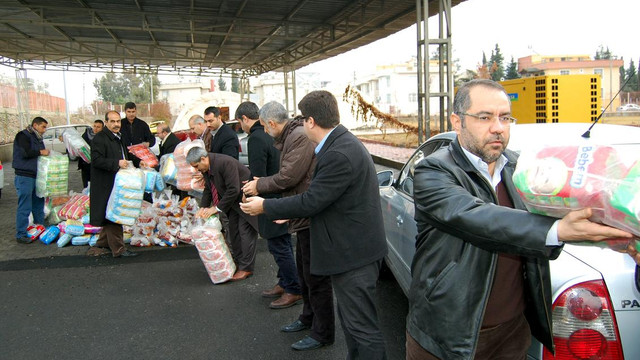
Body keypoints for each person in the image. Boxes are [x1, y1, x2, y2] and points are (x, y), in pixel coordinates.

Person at [404, 79, 633, 360]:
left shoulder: (522, 169)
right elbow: (476, 217)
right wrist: (557, 229)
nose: (498, 127)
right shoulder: (433, 170)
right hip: (447, 336)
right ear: (457, 121)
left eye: (505, 118)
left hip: (513, 333)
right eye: (484, 117)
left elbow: (567, 211)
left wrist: (615, 234)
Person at [240, 91, 388, 358]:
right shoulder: (339, 145)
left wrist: (265, 205)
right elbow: (325, 200)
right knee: (354, 325)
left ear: (310, 121)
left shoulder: (338, 153)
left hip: (353, 254)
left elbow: (312, 200)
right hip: (352, 249)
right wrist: (291, 210)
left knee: (362, 329)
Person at [242, 101, 335, 351]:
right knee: (306, 275)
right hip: (301, 215)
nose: (263, 131)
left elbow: (289, 177)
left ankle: (323, 331)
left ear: (271, 123)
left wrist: (258, 186)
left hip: (310, 217)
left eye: (263, 126)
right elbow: (294, 180)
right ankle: (308, 318)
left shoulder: (298, 137)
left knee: (316, 278)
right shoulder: (292, 135)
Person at [236, 101, 302, 309]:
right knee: (282, 244)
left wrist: (250, 192)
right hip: (280, 194)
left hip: (268, 197)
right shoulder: (280, 135)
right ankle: (284, 282)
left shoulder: (255, 138)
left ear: (245, 119)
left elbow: (258, 174)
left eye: (240, 123)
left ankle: (293, 288)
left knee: (279, 246)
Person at [187, 146, 258, 282]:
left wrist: (216, 208)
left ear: (203, 158)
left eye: (197, 166)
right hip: (232, 203)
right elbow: (208, 188)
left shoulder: (224, 162)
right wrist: (203, 207)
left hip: (244, 199)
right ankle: (238, 261)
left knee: (245, 232)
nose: (197, 170)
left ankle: (247, 268)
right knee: (233, 232)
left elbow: (233, 189)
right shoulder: (207, 168)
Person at [89, 110, 139, 258]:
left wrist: (139, 162)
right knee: (114, 215)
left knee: (110, 214)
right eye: (112, 121)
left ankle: (102, 243)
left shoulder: (118, 137)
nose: (116, 124)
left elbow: (126, 155)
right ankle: (119, 249)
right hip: (106, 183)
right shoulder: (100, 138)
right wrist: (116, 163)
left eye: (118, 121)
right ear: (106, 122)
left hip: (118, 182)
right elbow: (96, 160)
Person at [12, 116, 50, 244]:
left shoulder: (37, 138)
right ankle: (21, 234)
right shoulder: (22, 136)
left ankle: (40, 228)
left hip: (37, 176)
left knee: (39, 202)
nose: (44, 130)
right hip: (24, 176)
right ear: (35, 125)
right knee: (25, 205)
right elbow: (25, 152)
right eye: (43, 127)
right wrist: (41, 152)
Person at [120, 102, 156, 168]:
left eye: (133, 111)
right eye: (129, 112)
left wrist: (148, 143)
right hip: (125, 157)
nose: (131, 114)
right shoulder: (120, 124)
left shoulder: (142, 125)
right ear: (125, 111)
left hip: (140, 158)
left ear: (136, 111)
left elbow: (152, 139)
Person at [78, 119, 104, 189]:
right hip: (85, 165)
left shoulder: (103, 137)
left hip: (96, 165)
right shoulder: (86, 135)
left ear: (102, 128)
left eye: (98, 127)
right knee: (86, 186)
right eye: (94, 126)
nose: (95, 129)